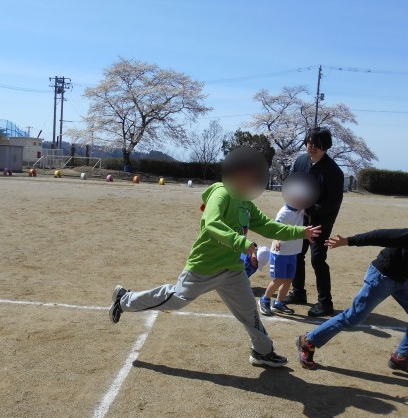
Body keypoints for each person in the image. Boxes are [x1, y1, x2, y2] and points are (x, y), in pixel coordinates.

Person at [109, 146, 322, 367]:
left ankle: (262, 351)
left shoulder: (246, 203)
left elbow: (268, 226)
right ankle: (124, 300)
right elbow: (211, 223)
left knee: (249, 310)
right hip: (205, 266)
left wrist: (301, 232)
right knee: (176, 299)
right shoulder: (221, 193)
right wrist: (241, 242)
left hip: (232, 269)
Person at [296, 192, 408, 377]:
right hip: (382, 277)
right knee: (353, 317)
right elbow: (383, 236)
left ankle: (401, 357)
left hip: (401, 281)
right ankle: (308, 341)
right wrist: (349, 241)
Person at [286, 127, 344, 317]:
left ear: (325, 146)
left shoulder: (333, 171)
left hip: (321, 222)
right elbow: (292, 183)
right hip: (300, 218)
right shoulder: (301, 161)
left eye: (316, 144)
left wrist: (309, 208)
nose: (311, 146)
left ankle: (325, 303)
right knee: (296, 254)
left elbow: (333, 203)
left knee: (318, 259)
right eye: (309, 142)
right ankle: (298, 293)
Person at [259, 202, 305, 316]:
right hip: (280, 253)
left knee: (289, 279)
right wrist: (276, 240)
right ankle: (264, 299)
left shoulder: (302, 209)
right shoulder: (284, 212)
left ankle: (279, 303)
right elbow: (275, 227)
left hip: (292, 252)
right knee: (279, 279)